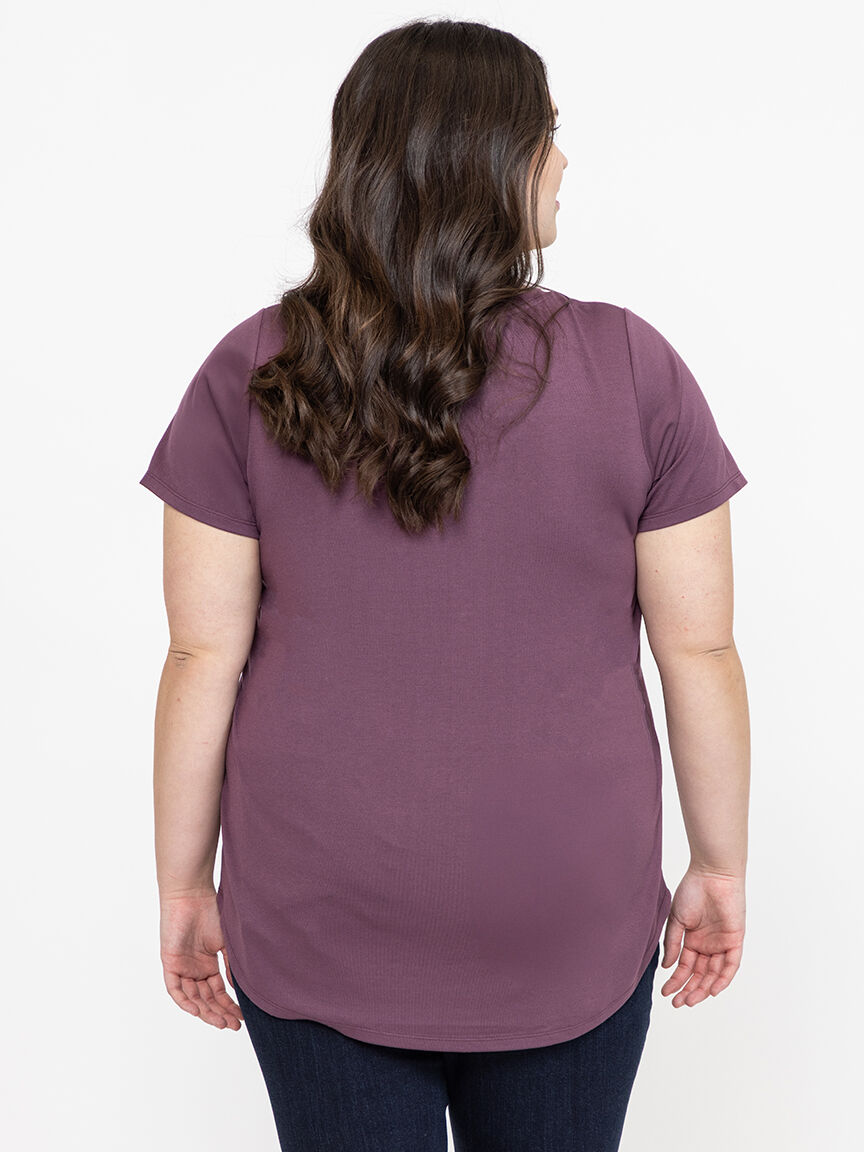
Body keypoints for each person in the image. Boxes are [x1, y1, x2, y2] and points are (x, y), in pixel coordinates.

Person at [139, 17, 750, 1152]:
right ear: (489, 160)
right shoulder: (634, 369)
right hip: (567, 911)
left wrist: (183, 884)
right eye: (545, 135)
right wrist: (717, 864)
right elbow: (698, 650)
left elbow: (200, 654)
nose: (563, 161)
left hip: (319, 911)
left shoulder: (254, 370)